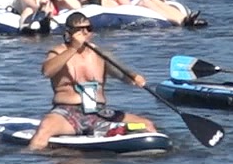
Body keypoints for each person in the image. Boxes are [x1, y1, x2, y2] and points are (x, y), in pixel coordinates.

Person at [26, 15, 156, 150]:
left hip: (100, 113)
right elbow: (47, 71)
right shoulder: (58, 52)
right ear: (69, 33)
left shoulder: (100, 54)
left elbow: (123, 75)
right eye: (79, 29)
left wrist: (134, 78)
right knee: (45, 129)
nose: (85, 33)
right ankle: (28, 162)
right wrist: (73, 48)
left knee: (146, 124)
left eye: (88, 28)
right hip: (68, 113)